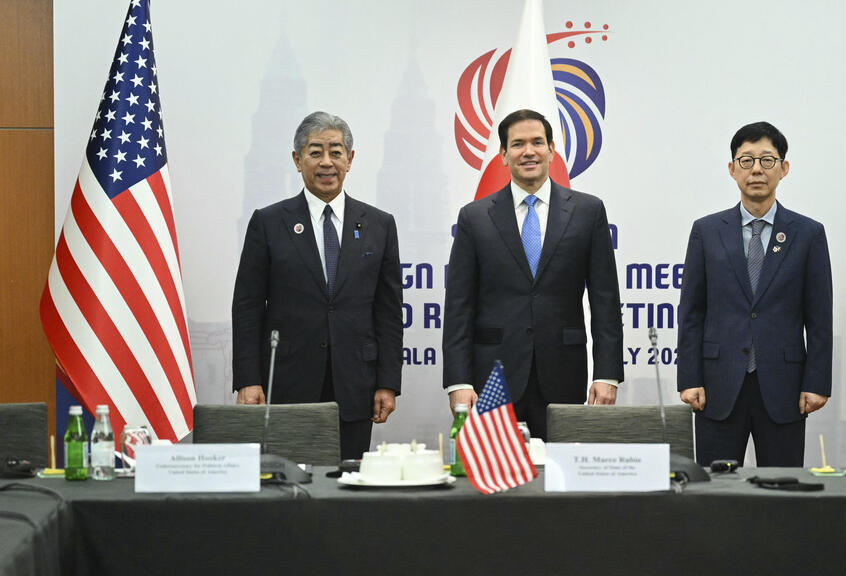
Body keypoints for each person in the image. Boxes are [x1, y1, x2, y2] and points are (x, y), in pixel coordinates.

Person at [442, 109, 623, 440]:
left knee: (560, 482)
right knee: (496, 481)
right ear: (503, 154)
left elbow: (605, 301)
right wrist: (458, 381)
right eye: (518, 144)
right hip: (492, 378)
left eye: (538, 142)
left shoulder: (588, 211)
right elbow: (458, 307)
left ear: (552, 150)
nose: (528, 151)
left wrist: (607, 374)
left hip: (564, 374)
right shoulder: (475, 218)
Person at [232, 111, 403, 460]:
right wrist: (248, 379)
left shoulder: (379, 225)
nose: (327, 162)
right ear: (297, 160)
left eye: (336, 152)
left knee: (348, 492)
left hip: (355, 383)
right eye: (315, 152)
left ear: (350, 160)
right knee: (289, 490)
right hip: (287, 384)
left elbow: (387, 312)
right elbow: (247, 306)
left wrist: (387, 382)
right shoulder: (268, 223)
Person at [677, 121, 832, 467]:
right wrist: (689, 378)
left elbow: (819, 317)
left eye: (767, 160)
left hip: (785, 387)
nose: (757, 170)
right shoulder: (706, 231)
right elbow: (691, 312)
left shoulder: (808, 234)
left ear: (784, 168)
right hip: (717, 387)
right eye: (746, 161)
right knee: (716, 494)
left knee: (782, 494)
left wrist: (817, 382)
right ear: (732, 170)